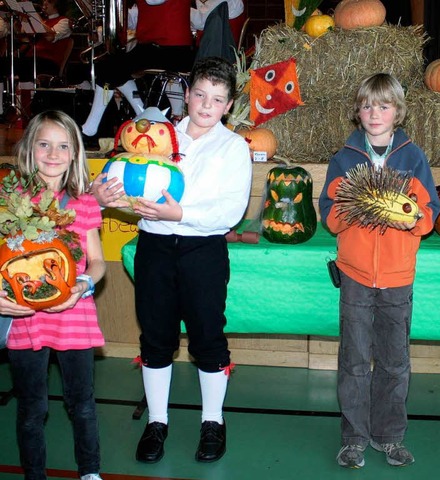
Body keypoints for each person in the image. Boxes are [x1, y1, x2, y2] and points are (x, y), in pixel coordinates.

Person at [92, 56, 252, 463]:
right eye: (199, 94)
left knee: (207, 337)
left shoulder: (234, 147)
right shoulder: (155, 137)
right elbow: (132, 189)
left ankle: (213, 422)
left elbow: (230, 211)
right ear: (188, 94)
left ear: (228, 105)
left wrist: (180, 214)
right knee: (156, 337)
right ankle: (156, 422)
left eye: (216, 99)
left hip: (204, 252)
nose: (205, 105)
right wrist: (108, 197)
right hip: (156, 250)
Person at [318, 73, 440, 469]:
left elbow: (430, 213)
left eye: (384, 105)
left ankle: (389, 436)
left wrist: (413, 221)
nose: (375, 113)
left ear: (398, 112)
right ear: (358, 111)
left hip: (397, 276)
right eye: (368, 105)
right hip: (354, 274)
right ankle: (353, 438)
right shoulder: (344, 158)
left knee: (393, 362)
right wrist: (351, 207)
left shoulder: (412, 158)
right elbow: (329, 216)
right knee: (353, 360)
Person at [0, 110, 106, 480]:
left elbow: (97, 262)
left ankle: (90, 472)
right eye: (44, 144)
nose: (53, 153)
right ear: (30, 148)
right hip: (24, 319)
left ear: (75, 153)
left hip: (74, 315)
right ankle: (34, 475)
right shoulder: (9, 202)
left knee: (83, 404)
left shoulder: (84, 204)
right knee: (32, 407)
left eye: (63, 145)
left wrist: (82, 286)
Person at [81, 0, 194, 143]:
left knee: (111, 68)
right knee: (110, 68)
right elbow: (136, 16)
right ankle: (142, 114)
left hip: (174, 49)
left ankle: (93, 128)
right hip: (152, 48)